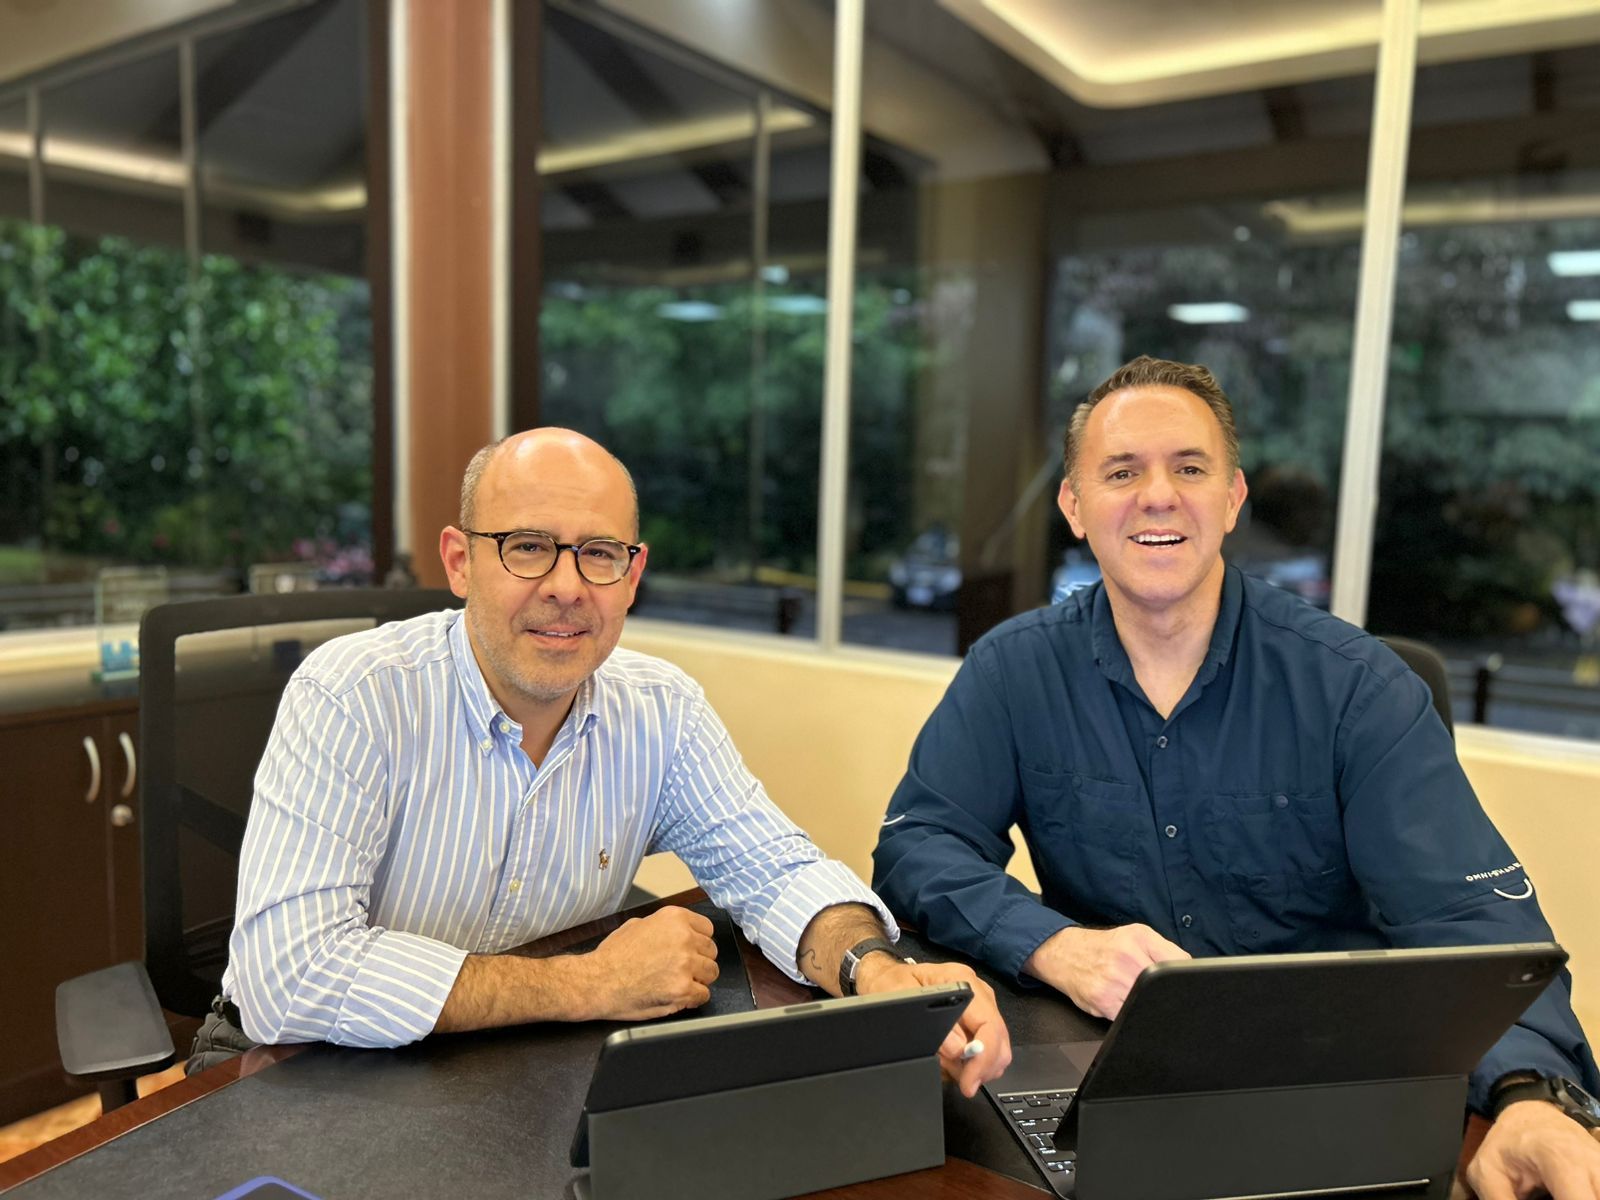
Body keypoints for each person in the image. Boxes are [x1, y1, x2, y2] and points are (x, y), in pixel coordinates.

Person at [873, 356, 1600, 1198]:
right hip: (1114, 1081)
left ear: (1232, 497)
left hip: (1335, 1086)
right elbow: (919, 846)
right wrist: (1056, 946)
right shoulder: (1013, 671)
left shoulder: (1357, 689)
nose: (1158, 496)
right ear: (1073, 506)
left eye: (1190, 468)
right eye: (1122, 472)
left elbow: (1475, 927)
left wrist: (1528, 1097)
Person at [217, 428, 1009, 1097]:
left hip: (516, 1071)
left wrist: (874, 969)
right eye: (529, 548)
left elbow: (775, 870)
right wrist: (589, 983)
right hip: (308, 1071)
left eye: (598, 554)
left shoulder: (661, 709)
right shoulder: (353, 695)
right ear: (459, 562)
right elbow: (289, 978)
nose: (567, 587)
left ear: (631, 577)